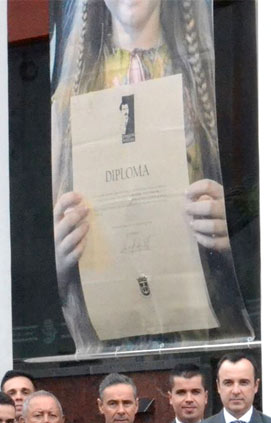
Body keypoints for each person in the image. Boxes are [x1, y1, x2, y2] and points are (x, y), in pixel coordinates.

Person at [50, 0, 253, 352]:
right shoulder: (69, 96)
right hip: (108, 330)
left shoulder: (213, 79)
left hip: (202, 332)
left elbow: (264, 202)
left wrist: (233, 227)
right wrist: (59, 258)